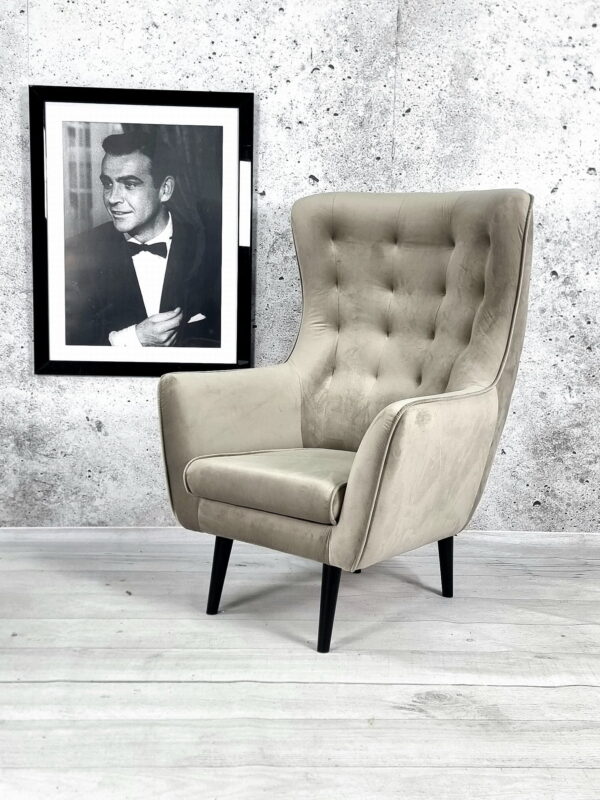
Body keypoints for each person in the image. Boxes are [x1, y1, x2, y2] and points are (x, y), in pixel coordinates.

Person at [64, 129, 220, 348]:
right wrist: (134, 339)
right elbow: (66, 346)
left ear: (165, 189)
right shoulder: (75, 253)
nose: (112, 198)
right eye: (108, 184)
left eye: (129, 184)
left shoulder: (211, 250)